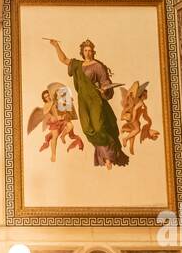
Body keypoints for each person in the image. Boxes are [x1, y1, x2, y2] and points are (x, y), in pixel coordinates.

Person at [46, 38, 128, 169]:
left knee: (99, 127)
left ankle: (108, 157)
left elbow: (105, 82)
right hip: (83, 100)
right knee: (87, 129)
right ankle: (106, 154)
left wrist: (104, 89)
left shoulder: (98, 66)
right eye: (85, 50)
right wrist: (56, 45)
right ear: (82, 52)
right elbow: (64, 60)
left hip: (95, 100)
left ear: (93, 52)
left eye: (90, 51)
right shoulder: (77, 65)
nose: (88, 53)